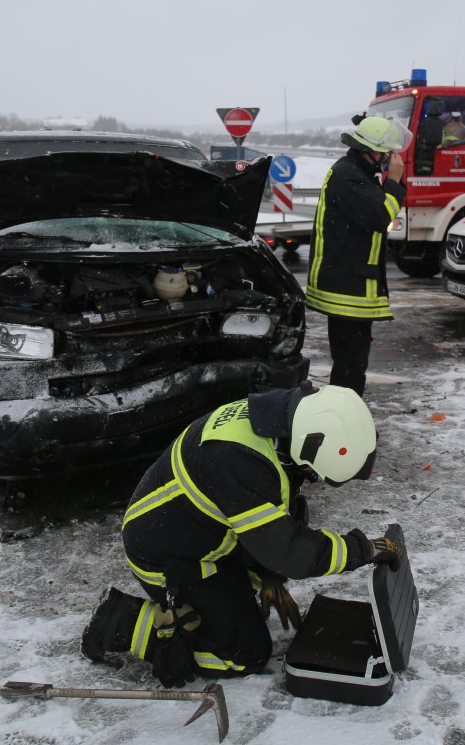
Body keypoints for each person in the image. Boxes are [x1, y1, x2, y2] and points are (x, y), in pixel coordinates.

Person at [80, 384, 403, 687]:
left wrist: (270, 575)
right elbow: (288, 552)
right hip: (171, 558)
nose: (314, 480)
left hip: (204, 535)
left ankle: (225, 601)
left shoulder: (281, 416)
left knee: (290, 526)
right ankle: (131, 624)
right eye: (314, 473)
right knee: (247, 653)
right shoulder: (238, 460)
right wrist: (362, 549)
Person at [305, 114, 411, 396]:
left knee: (351, 362)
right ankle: (344, 424)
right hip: (347, 287)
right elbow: (380, 215)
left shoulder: (358, 172)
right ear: (374, 151)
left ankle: (345, 419)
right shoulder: (349, 175)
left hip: (349, 281)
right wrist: (395, 180)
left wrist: (391, 183)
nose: (391, 157)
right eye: (388, 152)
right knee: (351, 364)